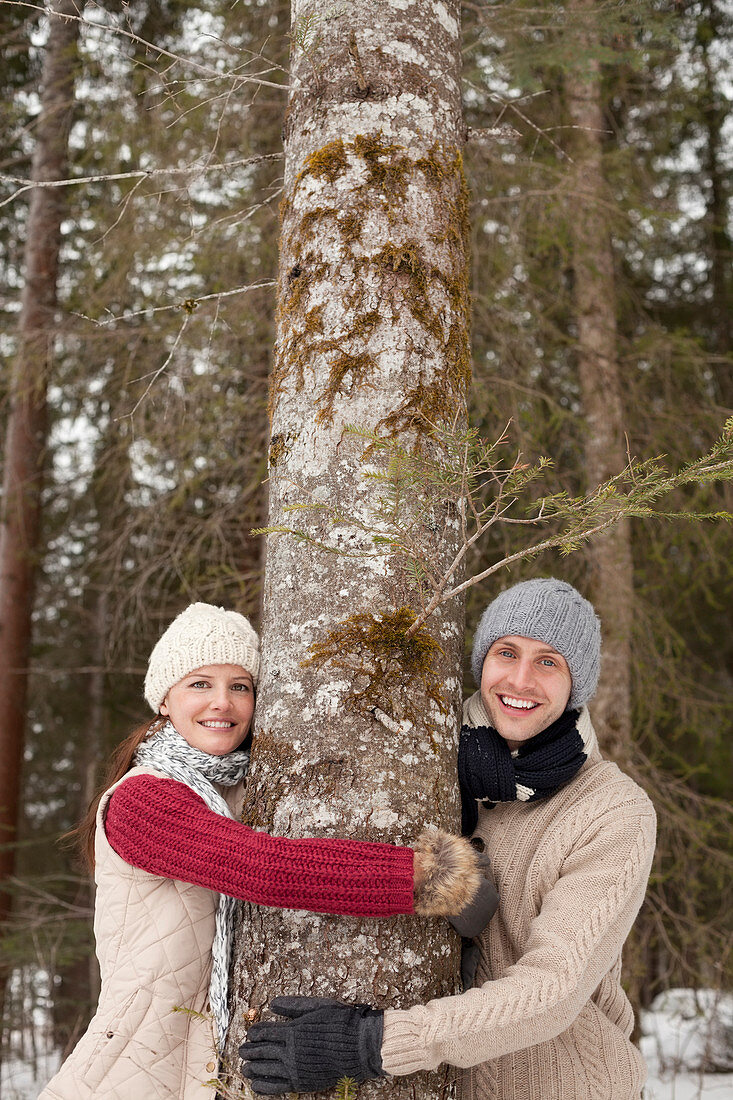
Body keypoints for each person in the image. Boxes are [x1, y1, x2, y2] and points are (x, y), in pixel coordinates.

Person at [39, 602, 496, 1100]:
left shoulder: (239, 785)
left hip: (202, 1061)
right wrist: (428, 876)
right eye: (200, 684)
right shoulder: (144, 799)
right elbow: (261, 866)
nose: (222, 703)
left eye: (240, 686)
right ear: (164, 701)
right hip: (134, 1066)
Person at [241, 578, 658, 1100]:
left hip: (562, 1085)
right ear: (483, 660)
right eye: (506, 653)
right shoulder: (435, 758)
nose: (522, 679)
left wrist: (371, 1043)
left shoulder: (612, 810)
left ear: (578, 683)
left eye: (549, 662)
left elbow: (552, 991)